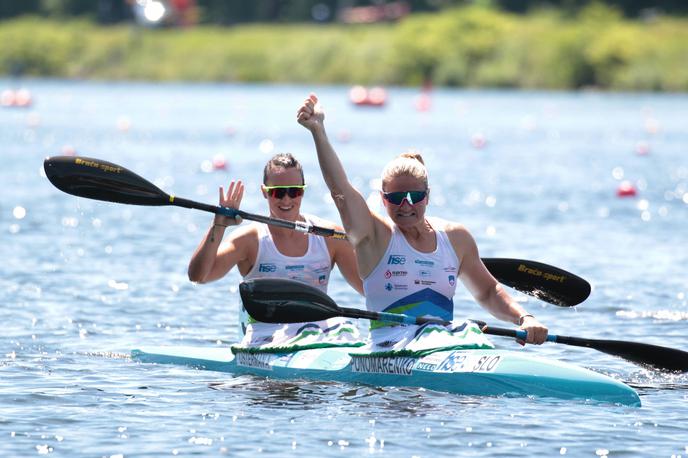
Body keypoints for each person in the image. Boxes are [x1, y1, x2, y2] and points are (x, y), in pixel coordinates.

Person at [297, 93, 548, 352]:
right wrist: (318, 130)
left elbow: (488, 291)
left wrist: (524, 317)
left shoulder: (456, 238)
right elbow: (341, 190)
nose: (406, 205)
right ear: (383, 200)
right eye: (396, 198)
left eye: (414, 196)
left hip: (445, 346)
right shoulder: (374, 236)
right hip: (389, 349)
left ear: (427, 196)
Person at [188, 152, 364, 349]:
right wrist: (218, 225)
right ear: (265, 192)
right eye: (278, 192)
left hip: (318, 331)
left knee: (346, 329)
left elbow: (370, 289)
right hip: (265, 335)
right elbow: (199, 276)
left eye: (294, 191)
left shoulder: (330, 236)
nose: (286, 199)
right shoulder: (250, 240)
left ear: (303, 191)